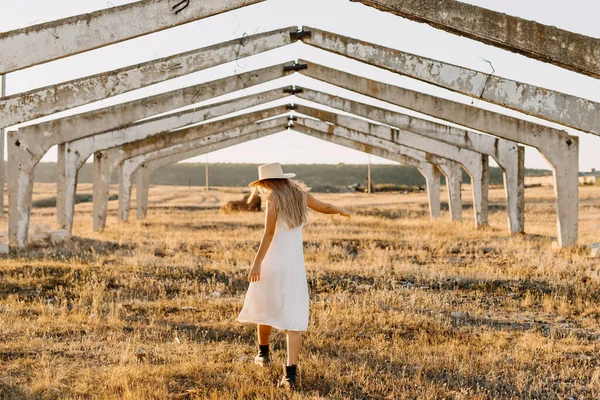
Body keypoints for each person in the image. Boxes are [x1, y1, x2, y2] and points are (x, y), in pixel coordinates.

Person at [237, 162, 350, 389]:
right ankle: (290, 376)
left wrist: (257, 263)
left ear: (266, 183)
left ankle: (263, 354)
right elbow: (325, 207)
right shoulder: (300, 195)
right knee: (294, 318)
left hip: (272, 262)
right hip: (293, 266)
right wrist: (340, 210)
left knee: (264, 307)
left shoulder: (272, 199)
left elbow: (269, 233)